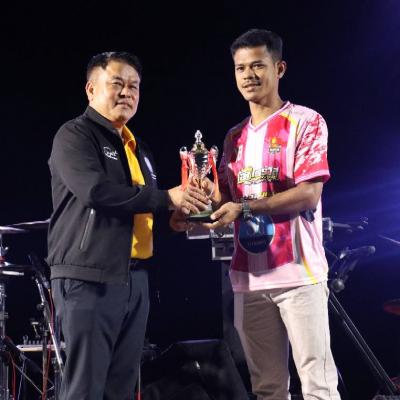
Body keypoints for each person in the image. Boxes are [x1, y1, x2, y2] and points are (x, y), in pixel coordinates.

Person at [171, 29, 341, 400]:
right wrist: (196, 203)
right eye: (240, 68)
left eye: (258, 66)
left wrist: (245, 207)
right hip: (248, 280)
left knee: (318, 386)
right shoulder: (234, 137)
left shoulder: (306, 121)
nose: (248, 75)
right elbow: (225, 200)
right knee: (266, 388)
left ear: (279, 68)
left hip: (299, 275)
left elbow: (309, 195)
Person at [47, 51, 208, 400]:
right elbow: (96, 192)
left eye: (134, 86)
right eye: (117, 83)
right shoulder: (75, 135)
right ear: (91, 89)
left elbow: (142, 211)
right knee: (85, 389)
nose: (127, 92)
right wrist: (167, 198)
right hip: (89, 278)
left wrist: (173, 221)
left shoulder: (139, 149)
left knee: (121, 389)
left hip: (135, 280)